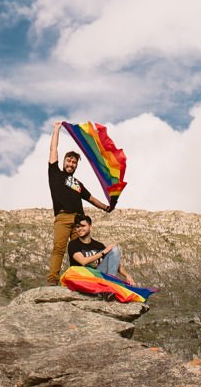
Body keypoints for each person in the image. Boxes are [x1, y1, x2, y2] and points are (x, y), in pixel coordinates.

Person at [47, 120, 111, 285]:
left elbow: (91, 198)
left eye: (74, 162)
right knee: (59, 248)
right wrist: (57, 129)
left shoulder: (77, 184)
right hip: (62, 218)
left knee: (79, 250)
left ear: (76, 166)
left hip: (79, 220)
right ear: (64, 162)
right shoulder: (55, 173)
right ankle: (53, 280)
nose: (71, 164)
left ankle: (79, 280)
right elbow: (53, 149)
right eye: (68, 161)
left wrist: (106, 207)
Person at [67, 213, 135, 285]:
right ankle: (111, 283)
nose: (80, 229)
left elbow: (114, 261)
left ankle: (111, 282)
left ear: (90, 227)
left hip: (95, 276)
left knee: (114, 249)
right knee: (110, 250)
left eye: (83, 226)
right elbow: (83, 261)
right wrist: (103, 252)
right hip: (82, 278)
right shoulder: (73, 244)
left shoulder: (98, 245)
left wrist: (127, 275)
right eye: (77, 227)